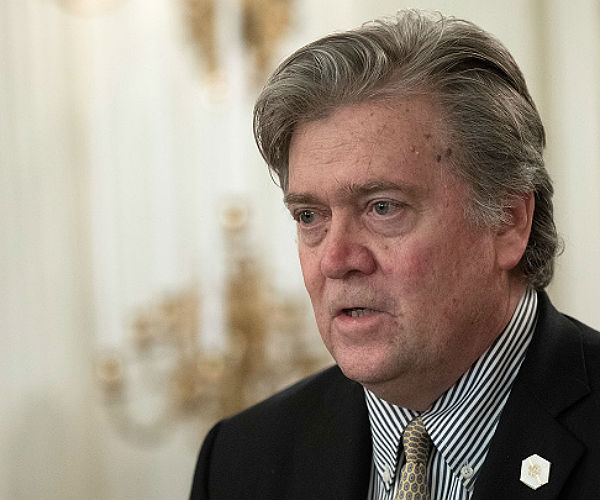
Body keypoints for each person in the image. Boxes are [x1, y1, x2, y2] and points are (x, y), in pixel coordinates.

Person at [190, 9, 600, 500]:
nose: (335, 260)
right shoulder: (240, 459)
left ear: (508, 222)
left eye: (382, 208)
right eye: (310, 216)